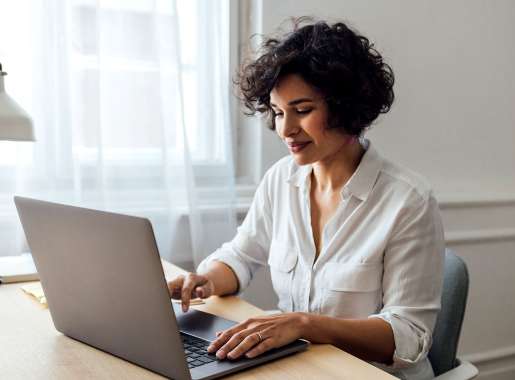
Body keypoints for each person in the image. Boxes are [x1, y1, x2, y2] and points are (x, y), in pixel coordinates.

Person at [167, 18, 444, 380]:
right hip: (301, 369)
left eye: (302, 110)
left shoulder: (408, 201)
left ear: (345, 107)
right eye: (279, 112)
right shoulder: (281, 179)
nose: (285, 129)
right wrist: (204, 279)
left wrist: (305, 325)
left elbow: (409, 337)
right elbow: (241, 255)